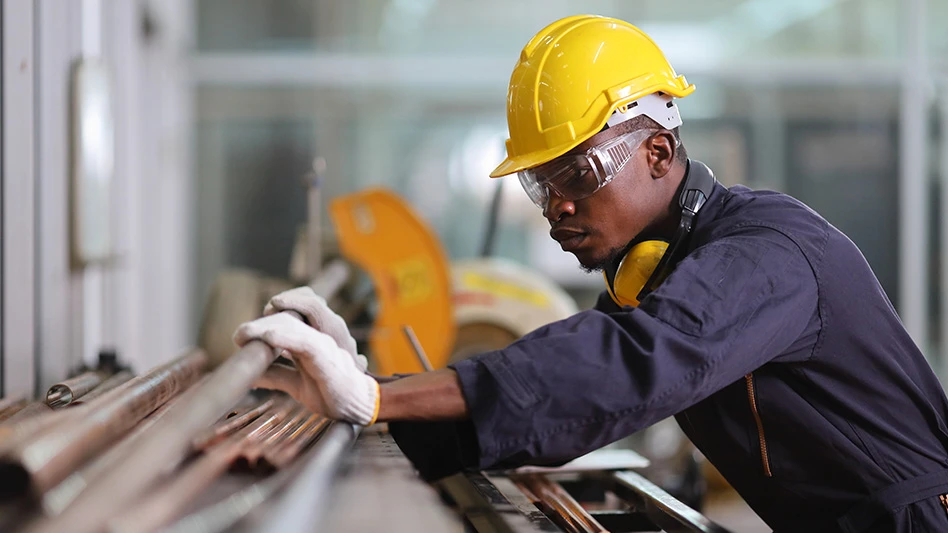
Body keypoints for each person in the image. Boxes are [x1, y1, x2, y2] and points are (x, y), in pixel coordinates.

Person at [233, 14, 948, 532]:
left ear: (658, 153)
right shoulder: (662, 269)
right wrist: (368, 396)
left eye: (578, 173)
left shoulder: (766, 253)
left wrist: (376, 398)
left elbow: (627, 365)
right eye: (541, 185)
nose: (558, 206)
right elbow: (567, 399)